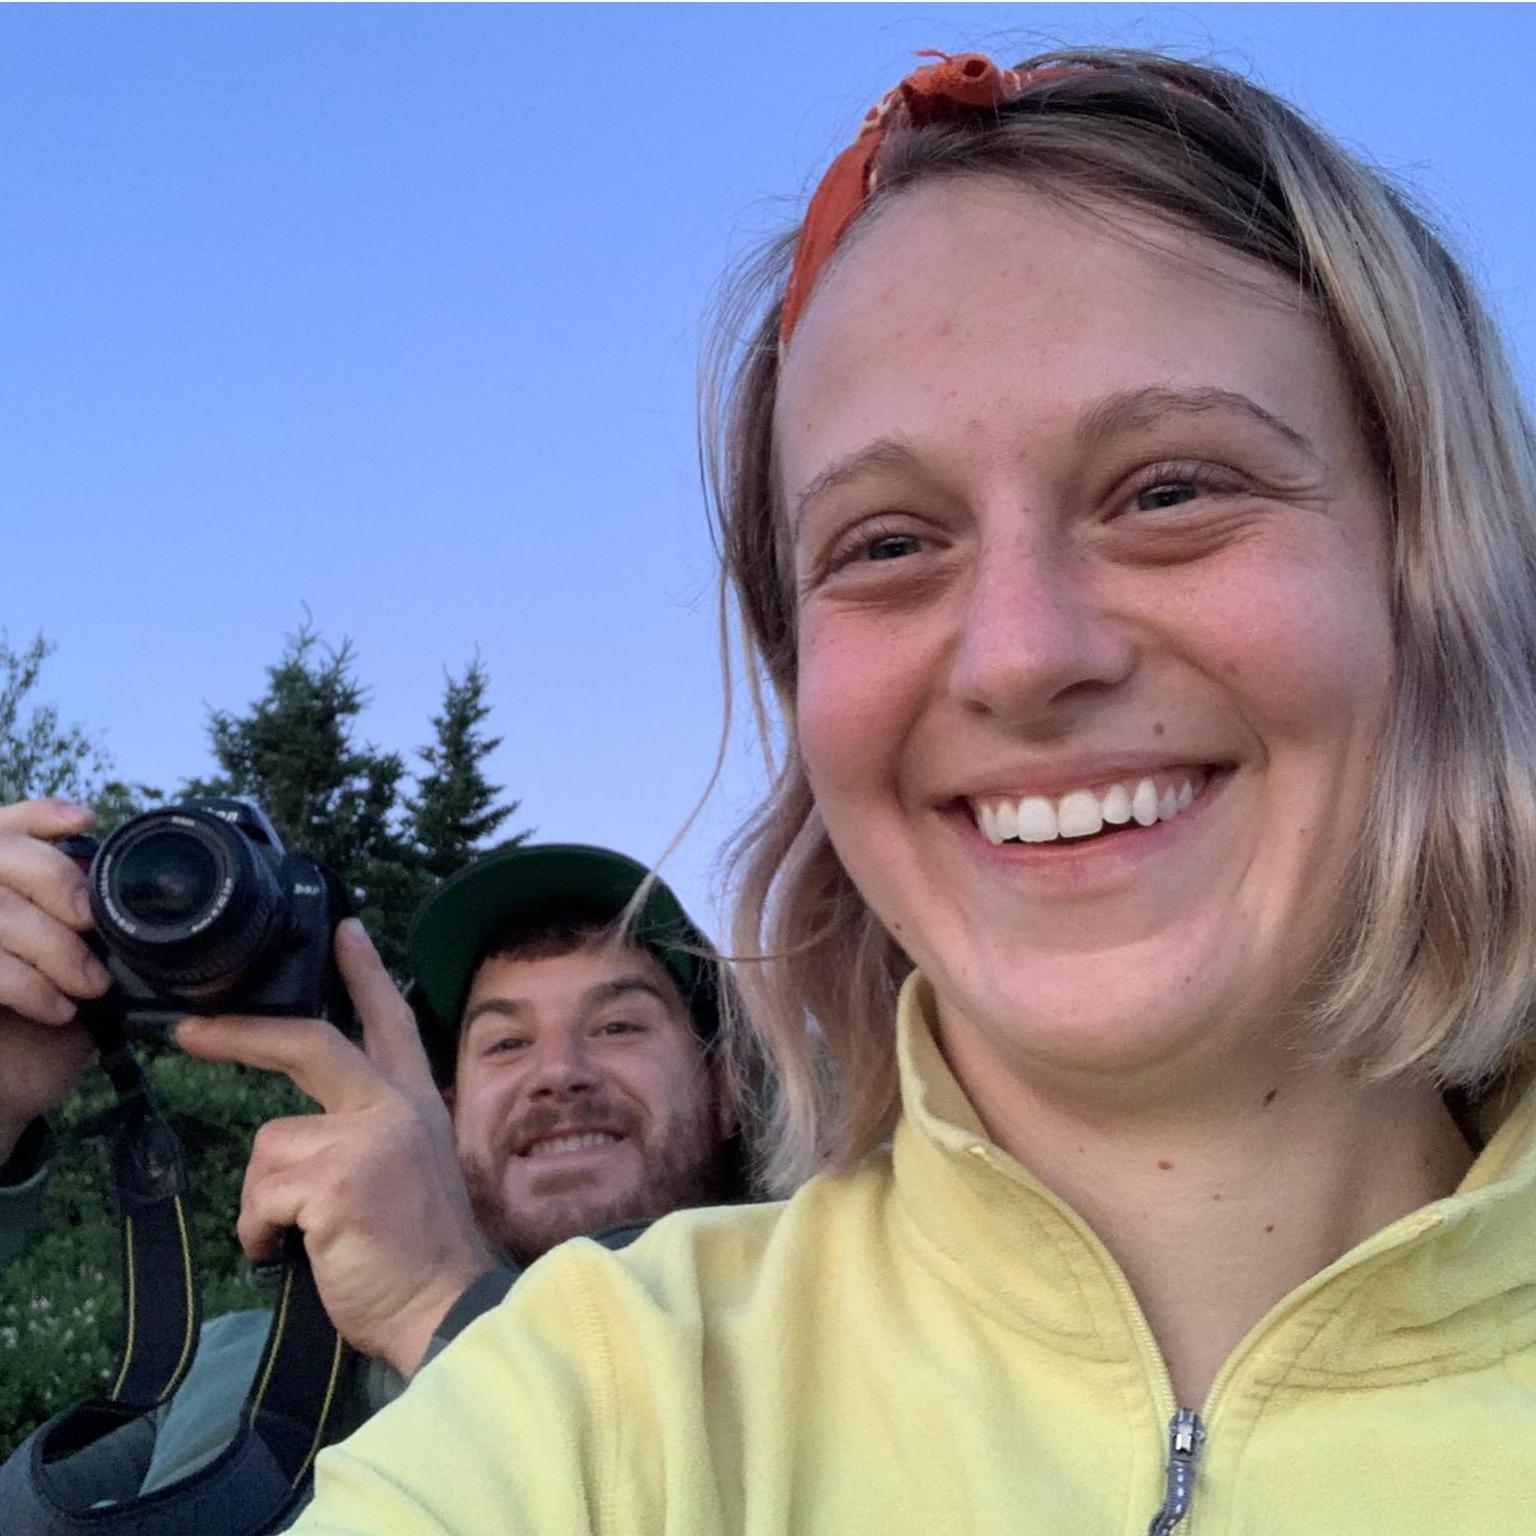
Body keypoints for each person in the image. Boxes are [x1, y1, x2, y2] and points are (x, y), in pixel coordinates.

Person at [288, 46, 1536, 1532]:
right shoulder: (590, 1412)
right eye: (886, 543)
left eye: (1172, 488)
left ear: (1434, 565)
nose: (1019, 656)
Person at [0, 799, 742, 1499]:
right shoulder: (236, 1369)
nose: (558, 1075)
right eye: (506, 1043)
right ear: (445, 1113)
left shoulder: (822, 1334)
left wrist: (440, 1309)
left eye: (619, 1028)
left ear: (728, 1091)